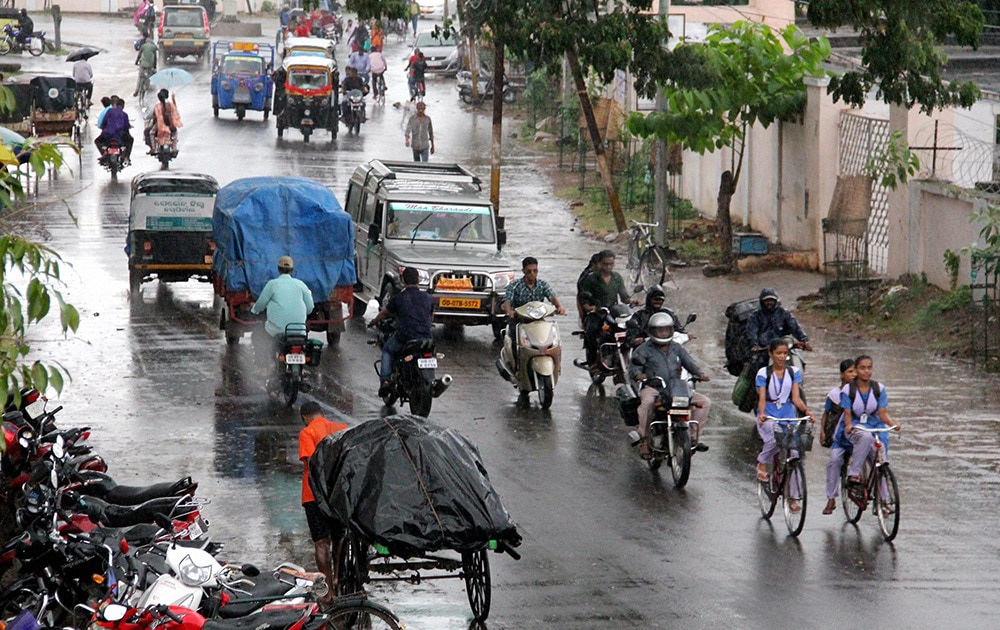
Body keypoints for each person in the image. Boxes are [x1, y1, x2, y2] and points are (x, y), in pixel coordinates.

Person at [630, 312, 711, 459]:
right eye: (659, 330)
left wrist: (699, 373)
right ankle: (644, 439)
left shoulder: (676, 347)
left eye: (666, 330)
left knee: (704, 402)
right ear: (652, 331)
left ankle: (693, 437)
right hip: (653, 388)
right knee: (647, 403)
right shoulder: (643, 349)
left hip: (675, 387)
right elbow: (634, 367)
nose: (663, 333)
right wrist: (640, 375)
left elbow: (689, 362)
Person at [754, 338, 812, 512]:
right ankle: (762, 462)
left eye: (785, 353)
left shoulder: (794, 372)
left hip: (788, 416)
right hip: (769, 416)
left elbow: (795, 398)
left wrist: (807, 411)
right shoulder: (763, 374)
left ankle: (794, 497)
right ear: (771, 354)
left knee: (794, 452)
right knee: (773, 439)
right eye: (778, 353)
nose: (781, 356)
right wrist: (762, 414)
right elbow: (762, 398)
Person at [298, 400, 348, 595]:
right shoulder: (341, 429)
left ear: (305, 418)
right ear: (322, 413)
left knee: (321, 542)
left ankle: (327, 591)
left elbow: (313, 463)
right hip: (338, 494)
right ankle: (339, 578)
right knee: (339, 537)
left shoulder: (307, 433)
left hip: (313, 496)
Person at [841, 355, 901, 507]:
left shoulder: (879, 389)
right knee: (866, 437)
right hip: (856, 427)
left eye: (869, 368)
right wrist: (848, 426)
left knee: (881, 461)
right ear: (856, 370)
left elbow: (882, 413)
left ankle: (884, 500)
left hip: (876, 427)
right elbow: (847, 414)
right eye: (862, 368)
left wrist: (892, 423)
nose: (866, 371)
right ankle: (854, 474)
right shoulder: (848, 390)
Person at [368, 267, 434, 398]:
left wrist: (373, 322)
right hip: (426, 337)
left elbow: (384, 313)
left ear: (403, 281)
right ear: (419, 280)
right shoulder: (428, 297)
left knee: (387, 350)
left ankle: (385, 381)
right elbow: (431, 316)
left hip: (406, 337)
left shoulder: (399, 298)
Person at [250, 256, 315, 371]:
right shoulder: (301, 285)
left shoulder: (272, 284)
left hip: (276, 330)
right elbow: (310, 307)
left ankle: (263, 367)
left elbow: (261, 303)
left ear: (278, 269)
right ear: (292, 270)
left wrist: (254, 310)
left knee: (258, 335)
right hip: (298, 330)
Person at [502, 257, 566, 365]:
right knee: (514, 336)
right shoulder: (515, 285)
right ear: (523, 271)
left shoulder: (542, 285)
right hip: (519, 319)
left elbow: (552, 297)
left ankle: (555, 363)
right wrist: (509, 311)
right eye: (529, 271)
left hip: (538, 320)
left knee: (550, 338)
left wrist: (559, 307)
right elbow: (507, 301)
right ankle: (516, 363)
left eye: (535, 271)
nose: (532, 274)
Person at [577, 250, 634, 368]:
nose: (608, 267)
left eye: (611, 264)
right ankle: (592, 362)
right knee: (592, 330)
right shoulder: (591, 279)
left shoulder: (617, 277)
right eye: (605, 264)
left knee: (631, 328)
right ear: (600, 264)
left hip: (613, 312)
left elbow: (624, 296)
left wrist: (632, 301)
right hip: (597, 312)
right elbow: (583, 298)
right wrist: (589, 307)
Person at [822, 359, 856, 515]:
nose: (854, 375)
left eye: (856, 371)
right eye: (850, 371)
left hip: (858, 436)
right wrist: (823, 431)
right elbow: (826, 413)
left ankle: (881, 499)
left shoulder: (863, 392)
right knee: (834, 461)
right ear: (842, 374)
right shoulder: (834, 395)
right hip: (841, 437)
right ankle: (831, 498)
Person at [746, 288, 811, 356]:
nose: (769, 302)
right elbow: (752, 332)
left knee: (798, 359)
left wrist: (804, 341)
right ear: (762, 301)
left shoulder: (783, 313)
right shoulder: (755, 316)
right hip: (764, 348)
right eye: (766, 300)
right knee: (757, 362)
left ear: (776, 301)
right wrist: (755, 345)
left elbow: (795, 327)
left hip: (782, 345)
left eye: (772, 300)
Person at [95, 96, 133, 163]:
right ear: (122, 106)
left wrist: (103, 129)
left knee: (97, 141)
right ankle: (126, 157)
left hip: (108, 135)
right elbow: (126, 127)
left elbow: (103, 123)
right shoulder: (124, 114)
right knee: (130, 140)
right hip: (120, 135)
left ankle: (104, 152)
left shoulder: (109, 111)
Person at [149, 89, 182, 154]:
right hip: (170, 125)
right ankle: (174, 148)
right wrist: (173, 99)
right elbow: (175, 110)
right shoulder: (170, 104)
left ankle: (153, 148)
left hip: (159, 125)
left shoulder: (157, 106)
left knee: (151, 133)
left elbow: (154, 116)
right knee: (175, 133)